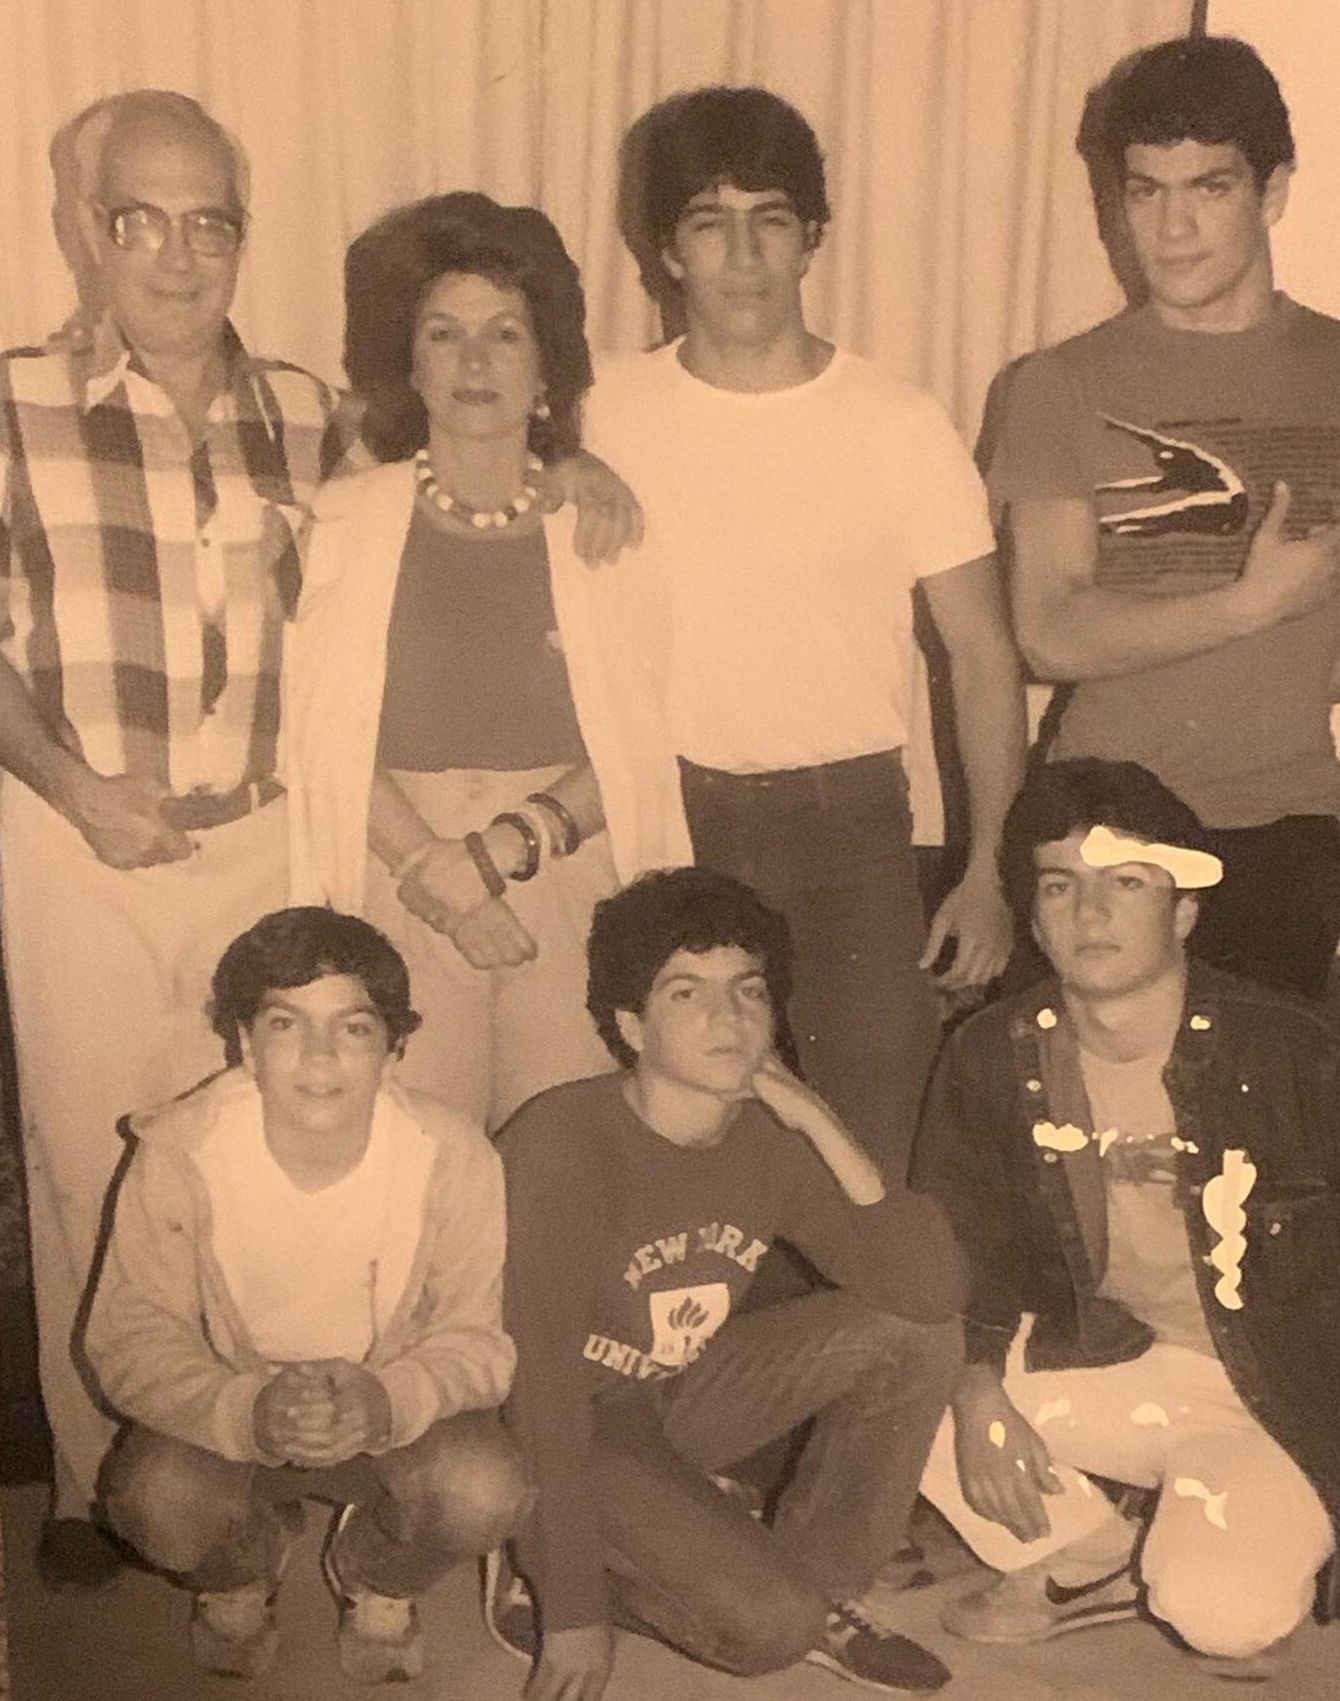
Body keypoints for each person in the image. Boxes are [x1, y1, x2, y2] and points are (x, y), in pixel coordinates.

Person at [0, 89, 354, 1591]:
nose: (176, 249)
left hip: (264, 846)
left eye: (209, 218)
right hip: (74, 839)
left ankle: (259, 1469)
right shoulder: (8, 401)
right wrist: (78, 789)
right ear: (81, 227)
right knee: (92, 1160)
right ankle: (106, 1485)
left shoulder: (310, 409)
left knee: (261, 1161)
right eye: (138, 215)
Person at [583, 86, 1026, 1182]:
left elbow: (982, 656)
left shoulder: (898, 423)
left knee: (878, 1151)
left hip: (851, 834)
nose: (740, 254)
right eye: (705, 220)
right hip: (664, 826)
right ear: (664, 250)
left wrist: (988, 872)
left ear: (812, 238)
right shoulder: (597, 414)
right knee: (688, 1157)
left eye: (769, 217)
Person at [489, 865, 966, 1699]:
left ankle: (822, 1591)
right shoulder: (563, 1142)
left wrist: (816, 1117)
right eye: (687, 993)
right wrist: (571, 1606)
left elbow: (928, 1293)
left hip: (676, 1394)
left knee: (917, 1335)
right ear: (631, 1024)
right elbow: (543, 1388)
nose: (727, 1017)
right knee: (766, 1631)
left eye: (748, 991)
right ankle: (540, 1565)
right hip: (564, 1423)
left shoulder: (770, 1135)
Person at [913, 758, 1340, 1683]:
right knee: (902, 1378)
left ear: (1184, 909)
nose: (1090, 914)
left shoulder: (1292, 1050)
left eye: (1127, 884)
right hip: (1111, 1359)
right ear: (1032, 914)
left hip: (1277, 1392)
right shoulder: (994, 1053)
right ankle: (1086, 1556)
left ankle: (1202, 1539)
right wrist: (976, 1384)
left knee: (1225, 1613)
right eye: (1061, 886)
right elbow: (955, 1249)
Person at [285, 191, 690, 1131]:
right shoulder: (342, 521)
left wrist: (504, 851)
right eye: (444, 333)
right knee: (412, 1169)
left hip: (567, 870)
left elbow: (643, 739)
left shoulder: (611, 526)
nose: (474, 362)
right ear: (409, 362)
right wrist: (438, 869)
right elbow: (319, 728)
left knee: (559, 1166)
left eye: (505, 334)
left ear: (546, 362)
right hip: (400, 874)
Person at [85, 907, 526, 1682]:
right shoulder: (180, 1151)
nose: (319, 1055)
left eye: (353, 1029)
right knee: (154, 1498)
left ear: (394, 1051)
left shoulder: (452, 1154)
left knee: (487, 1489)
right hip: (233, 1411)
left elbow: (480, 1342)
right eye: (287, 1024)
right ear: (247, 1045)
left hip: (386, 1404)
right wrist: (249, 1408)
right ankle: (245, 1566)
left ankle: (375, 1573)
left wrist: (385, 1397)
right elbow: (128, 1339)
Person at [988, 35, 1340, 998]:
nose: (1173, 229)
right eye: (1146, 191)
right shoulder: (1059, 385)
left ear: (1272, 193)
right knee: (1090, 1141)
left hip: (1289, 829)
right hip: (1103, 831)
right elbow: (1049, 630)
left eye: (1209, 189)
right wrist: (1249, 603)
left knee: (1266, 1141)